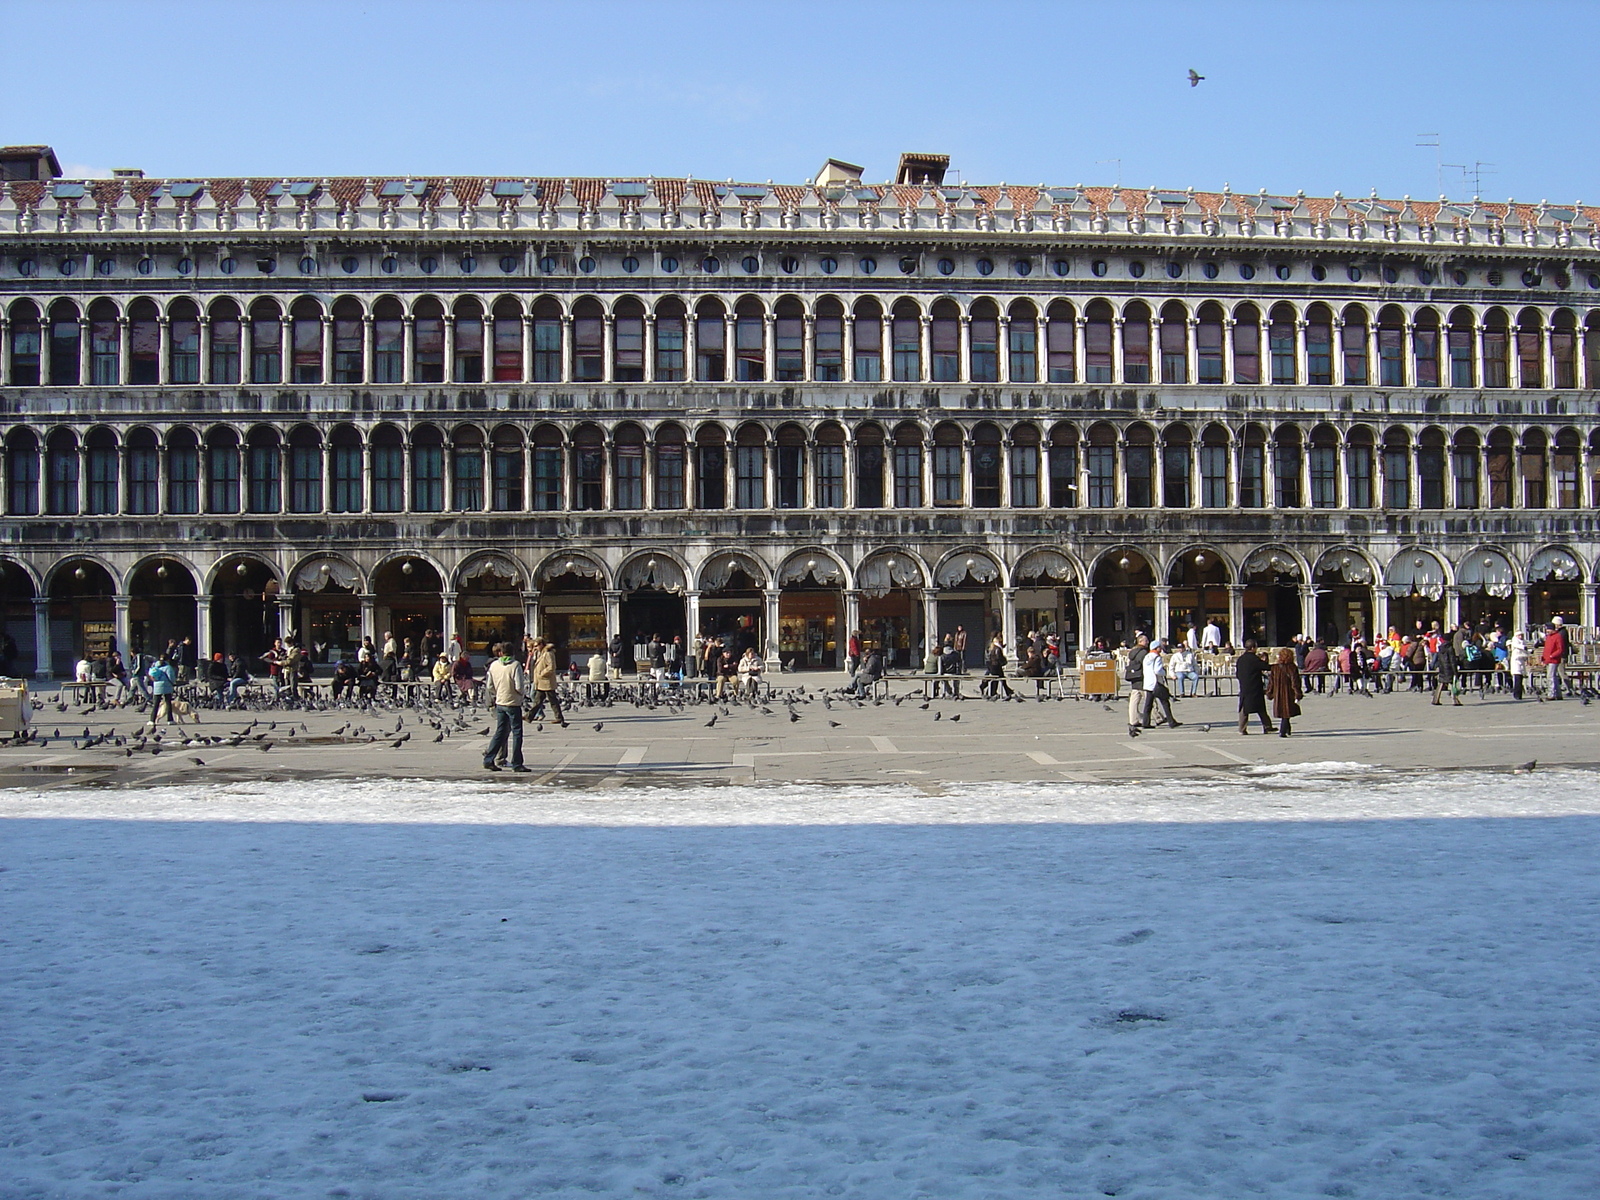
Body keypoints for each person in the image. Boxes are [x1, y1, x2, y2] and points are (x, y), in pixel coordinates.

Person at [481, 642, 531, 773]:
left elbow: (489, 685)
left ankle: (488, 759)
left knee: (500, 732)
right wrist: (521, 695)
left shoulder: (494, 665)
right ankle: (517, 763)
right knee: (517, 732)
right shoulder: (515, 665)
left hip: (500, 702)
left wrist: (498, 693)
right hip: (513, 702)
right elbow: (519, 686)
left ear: (500, 653)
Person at [1235, 639, 1274, 734]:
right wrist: (1265, 659)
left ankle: (1242, 728)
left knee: (1244, 709)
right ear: (1252, 648)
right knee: (1260, 708)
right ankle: (1267, 726)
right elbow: (1265, 667)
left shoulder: (1241, 659)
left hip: (1244, 686)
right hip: (1255, 687)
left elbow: (1237, 674)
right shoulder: (1254, 659)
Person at [1140, 639, 1180, 729]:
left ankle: (1145, 723)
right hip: (1156, 683)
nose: (1161, 649)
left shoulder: (1147, 657)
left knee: (1148, 704)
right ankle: (1171, 722)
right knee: (1165, 702)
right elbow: (1157, 670)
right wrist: (1164, 672)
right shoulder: (1157, 657)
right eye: (1159, 647)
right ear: (1156, 648)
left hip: (1148, 683)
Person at [528, 638, 567, 728]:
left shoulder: (548, 653)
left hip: (546, 681)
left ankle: (559, 718)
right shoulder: (540, 653)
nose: (535, 647)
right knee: (537, 700)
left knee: (552, 700)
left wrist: (542, 673)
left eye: (537, 645)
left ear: (542, 644)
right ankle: (529, 716)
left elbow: (551, 667)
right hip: (541, 682)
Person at [1268, 647, 1303, 737]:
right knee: (1286, 713)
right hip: (1288, 693)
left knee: (1285, 712)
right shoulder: (1292, 668)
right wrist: (1298, 693)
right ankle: (1282, 731)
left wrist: (1270, 692)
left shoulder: (1275, 668)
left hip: (1278, 693)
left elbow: (1271, 682)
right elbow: (1295, 682)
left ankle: (1287, 729)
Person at [1124, 634, 1150, 737]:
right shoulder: (1143, 652)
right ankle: (1158, 717)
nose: (1147, 642)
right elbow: (1146, 664)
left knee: (1134, 699)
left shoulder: (1132, 652)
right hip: (1142, 676)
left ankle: (1133, 720)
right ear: (1141, 642)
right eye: (1146, 641)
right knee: (1149, 697)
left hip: (1133, 676)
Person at [1541, 616, 1568, 699]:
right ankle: (1558, 694)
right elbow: (1546, 649)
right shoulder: (1549, 637)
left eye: (1548, 629)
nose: (1546, 631)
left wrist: (1552, 655)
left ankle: (1551, 694)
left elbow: (1560, 649)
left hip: (1554, 659)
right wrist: (1543, 658)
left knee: (1550, 676)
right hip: (1548, 659)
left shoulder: (1557, 636)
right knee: (1553, 676)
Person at [1431, 631, 1461, 706]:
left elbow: (1439, 659)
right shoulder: (1450, 648)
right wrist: (1455, 671)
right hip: (1449, 668)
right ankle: (1455, 700)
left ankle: (1435, 699)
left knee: (1441, 683)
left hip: (1442, 668)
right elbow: (1452, 660)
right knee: (1452, 684)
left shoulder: (1440, 648)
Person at [981, 634, 1014, 699]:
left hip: (993, 666)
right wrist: (1004, 662)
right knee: (1000, 679)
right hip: (996, 666)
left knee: (1000, 679)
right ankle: (995, 692)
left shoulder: (992, 648)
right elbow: (999, 657)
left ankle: (1006, 691)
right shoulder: (997, 649)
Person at [147, 655, 177, 724]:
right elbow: (171, 677)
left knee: (156, 704)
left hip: (157, 687)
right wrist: (173, 683)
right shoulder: (168, 667)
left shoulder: (155, 666)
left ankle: (152, 720)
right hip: (166, 686)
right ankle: (170, 720)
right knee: (168, 703)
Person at [1507, 630, 1529, 700]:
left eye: (1522, 635)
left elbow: (1526, 652)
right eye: (1519, 635)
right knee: (1517, 679)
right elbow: (1519, 650)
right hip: (1516, 664)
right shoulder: (1515, 643)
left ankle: (1519, 694)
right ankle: (1516, 694)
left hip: (1522, 664)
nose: (1521, 637)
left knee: (1521, 679)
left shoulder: (1524, 642)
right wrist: (1525, 652)